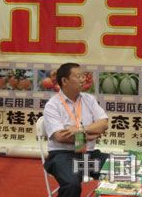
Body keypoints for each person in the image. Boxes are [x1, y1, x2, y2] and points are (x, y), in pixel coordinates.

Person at [43, 63, 108, 197]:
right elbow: (60, 136)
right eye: (78, 76)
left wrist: (80, 129)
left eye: (83, 76)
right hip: (62, 156)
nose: (83, 80)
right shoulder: (52, 105)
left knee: (123, 168)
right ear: (64, 81)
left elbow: (103, 124)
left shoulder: (89, 99)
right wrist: (90, 135)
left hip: (88, 156)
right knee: (72, 184)